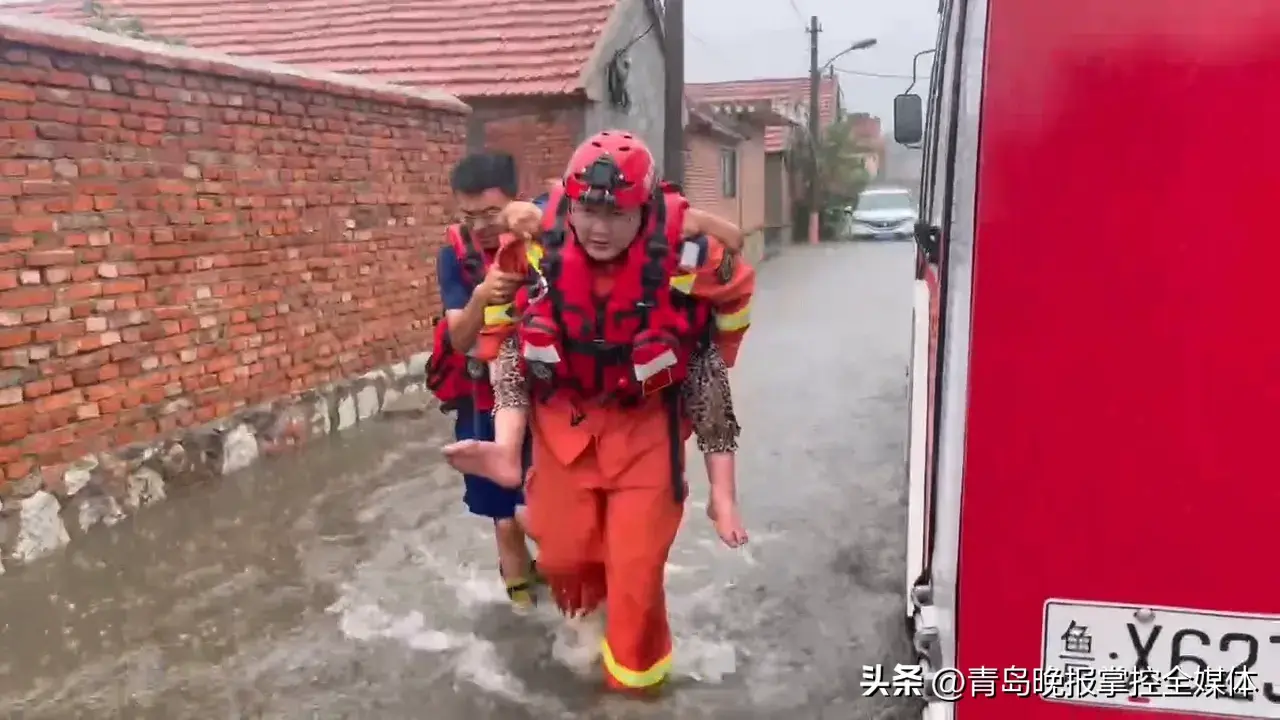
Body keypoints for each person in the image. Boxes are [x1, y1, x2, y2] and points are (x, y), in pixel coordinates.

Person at [445, 130, 754, 695]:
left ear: (646, 208)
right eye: (588, 210)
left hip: (645, 433)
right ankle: (587, 624)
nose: (600, 228)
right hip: (564, 425)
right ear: (570, 203)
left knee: (635, 577)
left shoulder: (684, 254)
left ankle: (634, 694)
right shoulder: (538, 245)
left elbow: (712, 360)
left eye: (618, 214)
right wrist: (507, 437)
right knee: (563, 561)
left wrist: (722, 493)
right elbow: (504, 334)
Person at [424, 152, 541, 609]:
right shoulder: (453, 258)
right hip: (482, 400)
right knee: (506, 521)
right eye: (468, 216)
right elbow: (458, 336)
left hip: (546, 399)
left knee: (540, 514)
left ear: (514, 200)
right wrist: (480, 296)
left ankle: (568, 595)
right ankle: (526, 616)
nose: (480, 226)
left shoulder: (546, 235)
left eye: (491, 214)